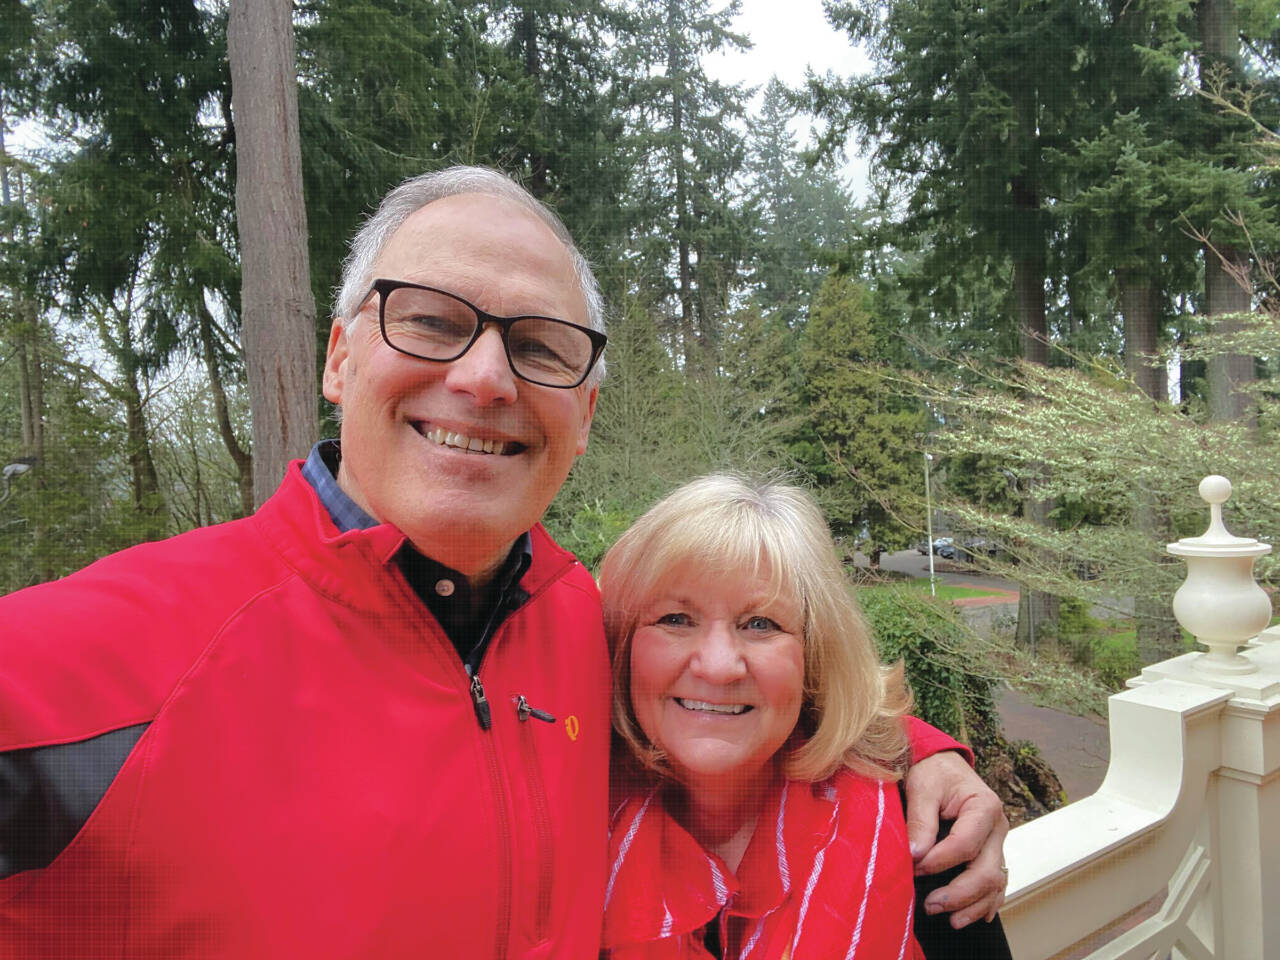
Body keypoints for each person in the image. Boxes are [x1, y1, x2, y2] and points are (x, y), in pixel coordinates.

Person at [0, 167, 1006, 958]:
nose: (483, 378)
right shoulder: (80, 663)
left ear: (583, 415)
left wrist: (924, 754)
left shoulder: (581, 621)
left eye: (538, 345)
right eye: (432, 320)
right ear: (340, 357)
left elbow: (730, 687)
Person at [597, 475, 1012, 959]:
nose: (717, 665)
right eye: (674, 619)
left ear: (813, 657)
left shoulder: (920, 835)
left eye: (760, 624)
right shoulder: (571, 827)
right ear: (623, 647)